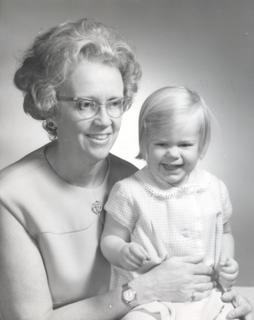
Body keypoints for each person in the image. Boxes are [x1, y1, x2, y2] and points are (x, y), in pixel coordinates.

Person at [0, 19, 251, 320]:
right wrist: (141, 291)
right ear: (50, 104)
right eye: (85, 104)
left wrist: (217, 293)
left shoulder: (135, 180)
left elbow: (182, 269)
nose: (104, 120)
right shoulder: (10, 196)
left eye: (115, 103)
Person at [101, 86, 247, 319]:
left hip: (206, 295)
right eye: (161, 144)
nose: (173, 154)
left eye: (185, 145)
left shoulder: (213, 188)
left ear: (201, 146)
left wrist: (226, 260)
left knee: (237, 314)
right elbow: (110, 238)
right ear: (144, 144)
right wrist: (121, 250)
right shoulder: (130, 191)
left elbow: (225, 231)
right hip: (152, 300)